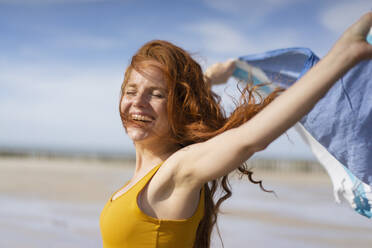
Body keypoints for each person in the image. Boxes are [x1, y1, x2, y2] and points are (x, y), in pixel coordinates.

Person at [100, 13, 372, 248]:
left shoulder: (177, 171)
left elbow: (249, 140)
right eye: (131, 91)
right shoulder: (142, 178)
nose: (137, 102)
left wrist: (340, 58)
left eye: (156, 94)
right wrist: (212, 79)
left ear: (178, 106)